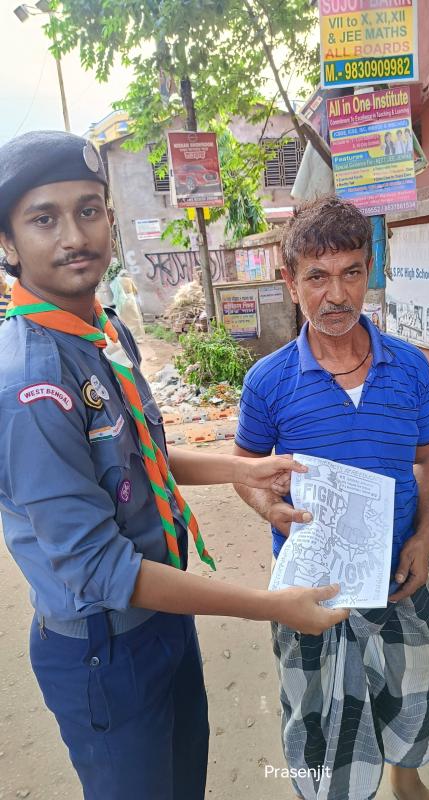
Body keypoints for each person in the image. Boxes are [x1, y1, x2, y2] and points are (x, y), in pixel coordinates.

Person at [0, 131, 348, 800]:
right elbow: (102, 569)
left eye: (89, 210)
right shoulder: (31, 387)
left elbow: (141, 456)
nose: (74, 235)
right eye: (44, 219)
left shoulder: (102, 330)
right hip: (105, 648)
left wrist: (242, 470)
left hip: (162, 613)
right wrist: (270, 606)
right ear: (8, 243)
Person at [233, 196, 429, 800]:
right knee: (318, 722)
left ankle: (407, 780)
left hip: (398, 579)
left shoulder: (410, 368)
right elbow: (245, 470)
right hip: (311, 590)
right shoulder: (268, 382)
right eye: (317, 277)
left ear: (369, 271)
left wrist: (424, 535)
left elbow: (428, 461)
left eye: (351, 273)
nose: (336, 295)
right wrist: (269, 508)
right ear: (291, 281)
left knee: (410, 692)